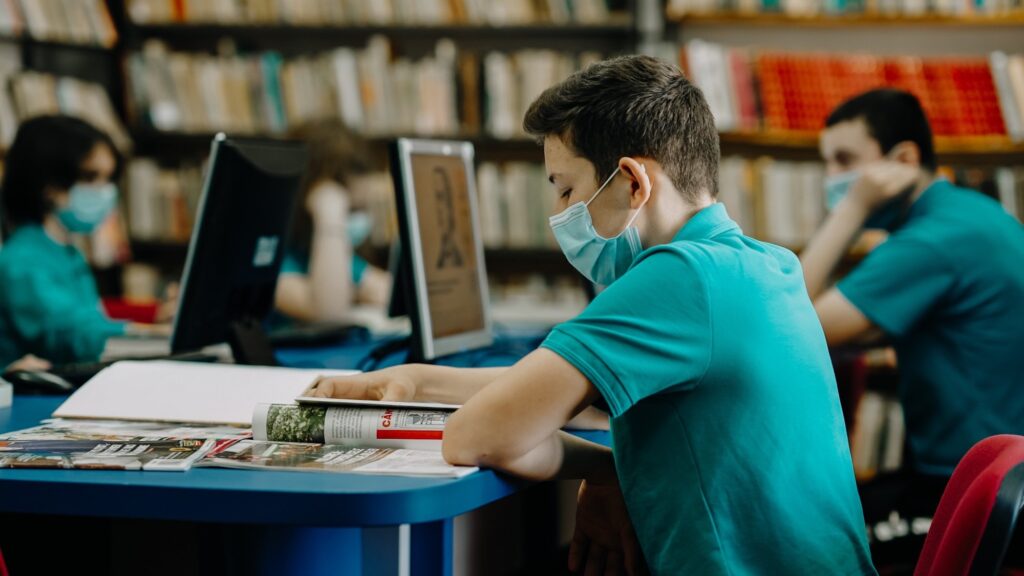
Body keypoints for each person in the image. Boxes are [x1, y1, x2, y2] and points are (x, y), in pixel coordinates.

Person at [313, 56, 875, 575]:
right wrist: (414, 381)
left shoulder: (680, 277)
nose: (558, 214)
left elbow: (478, 437)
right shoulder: (761, 263)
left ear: (633, 182)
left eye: (565, 190)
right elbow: (561, 394)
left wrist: (607, 469)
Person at [801, 89, 1024, 528]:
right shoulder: (971, 213)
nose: (832, 178)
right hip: (1005, 475)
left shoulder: (932, 242)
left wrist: (851, 209)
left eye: (844, 161)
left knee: (804, 528)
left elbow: (790, 325)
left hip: (971, 492)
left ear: (902, 162)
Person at [0, 115, 159, 368]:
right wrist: (155, 335)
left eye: (108, 178)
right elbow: (71, 333)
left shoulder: (64, 250)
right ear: (48, 183)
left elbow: (89, 314)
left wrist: (155, 316)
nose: (104, 191)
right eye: (89, 177)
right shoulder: (21, 260)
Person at [274, 119, 391, 324]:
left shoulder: (326, 252)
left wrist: (352, 292)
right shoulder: (275, 259)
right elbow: (328, 313)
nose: (357, 221)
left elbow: (387, 292)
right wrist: (329, 215)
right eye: (350, 211)